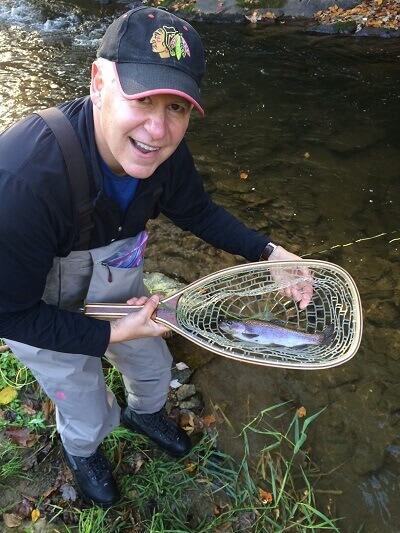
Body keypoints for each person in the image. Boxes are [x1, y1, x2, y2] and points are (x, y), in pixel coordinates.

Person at [0, 6, 312, 507]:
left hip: (116, 286)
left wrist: (268, 252)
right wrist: (106, 333)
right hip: (35, 310)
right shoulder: (22, 181)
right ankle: (84, 451)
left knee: (153, 369)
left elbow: (198, 212)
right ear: (99, 82)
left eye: (177, 108)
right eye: (143, 99)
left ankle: (144, 413)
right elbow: (8, 313)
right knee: (84, 405)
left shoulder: (163, 154)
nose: (158, 130)